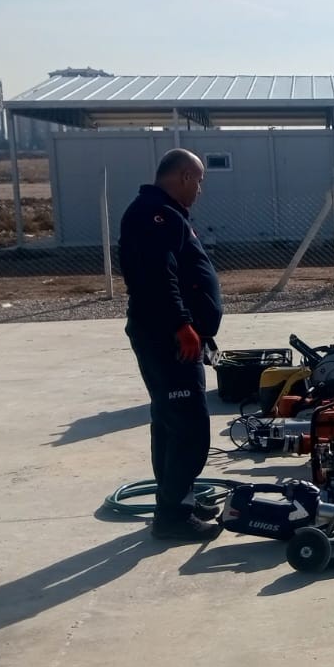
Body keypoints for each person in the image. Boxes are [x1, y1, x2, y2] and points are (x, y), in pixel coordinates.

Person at [118, 149, 224, 542]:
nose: (200, 189)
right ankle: (173, 516)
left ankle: (178, 499)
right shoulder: (154, 215)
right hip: (168, 339)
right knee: (188, 426)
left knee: (169, 422)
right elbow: (157, 277)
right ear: (183, 176)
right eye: (199, 181)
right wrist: (182, 325)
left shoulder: (162, 212)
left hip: (170, 335)